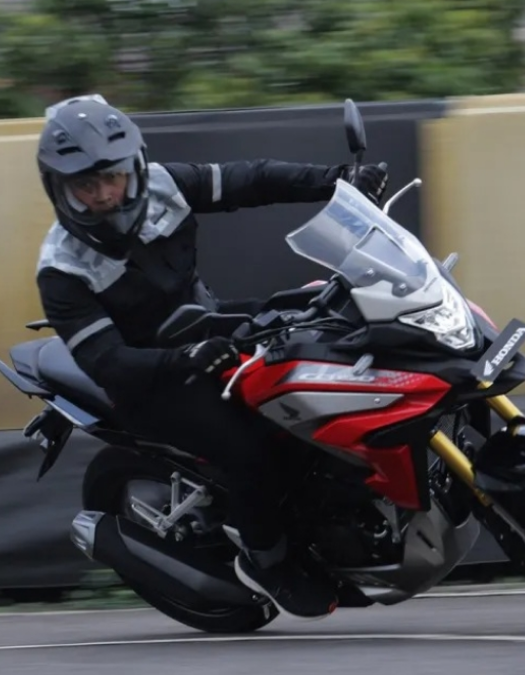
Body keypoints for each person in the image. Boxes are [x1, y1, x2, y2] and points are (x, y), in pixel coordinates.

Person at [33, 94, 390, 620]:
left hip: (207, 326)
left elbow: (252, 179)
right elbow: (109, 362)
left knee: (320, 322)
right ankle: (267, 558)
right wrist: (185, 359)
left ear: (134, 167)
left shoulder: (164, 185)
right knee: (249, 447)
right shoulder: (61, 270)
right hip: (150, 382)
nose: (105, 194)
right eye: (85, 185)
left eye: (112, 177)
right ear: (60, 190)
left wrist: (337, 182)